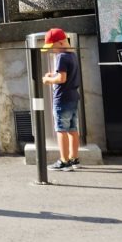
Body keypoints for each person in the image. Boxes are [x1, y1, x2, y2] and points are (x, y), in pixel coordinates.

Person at [42, 27, 81, 171]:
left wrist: (48, 80)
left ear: (60, 43)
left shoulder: (61, 57)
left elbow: (62, 78)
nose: (52, 50)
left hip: (61, 98)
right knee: (73, 129)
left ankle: (64, 161)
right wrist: (54, 73)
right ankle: (74, 159)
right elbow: (67, 74)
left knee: (61, 130)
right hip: (73, 97)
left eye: (52, 47)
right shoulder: (72, 54)